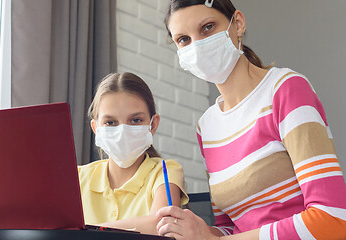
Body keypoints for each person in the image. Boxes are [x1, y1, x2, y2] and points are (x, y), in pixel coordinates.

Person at [156, 0, 346, 239]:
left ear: (238, 24)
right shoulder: (206, 126)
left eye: (207, 27)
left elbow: (333, 219)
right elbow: (229, 229)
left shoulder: (285, 90)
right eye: (183, 39)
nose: (198, 45)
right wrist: (196, 231)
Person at [78, 72, 188, 235]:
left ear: (153, 124)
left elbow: (162, 223)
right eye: (110, 122)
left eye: (135, 120)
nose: (122, 131)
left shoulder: (165, 170)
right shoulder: (76, 177)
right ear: (96, 128)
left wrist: (84, 233)